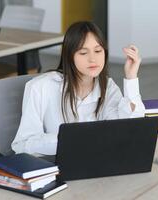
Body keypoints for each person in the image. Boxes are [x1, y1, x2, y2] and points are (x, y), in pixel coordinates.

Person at [11, 21, 145, 155]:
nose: (93, 59)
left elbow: (130, 128)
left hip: (97, 164)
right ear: (70, 56)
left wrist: (131, 77)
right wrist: (70, 139)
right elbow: (22, 145)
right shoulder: (40, 87)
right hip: (55, 167)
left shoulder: (107, 86)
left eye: (98, 51)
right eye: (83, 53)